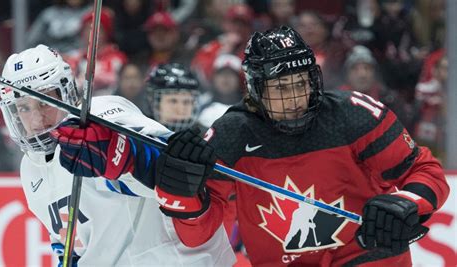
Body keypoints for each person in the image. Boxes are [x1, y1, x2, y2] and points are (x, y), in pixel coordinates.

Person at [152, 26, 449, 266]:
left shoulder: (354, 114)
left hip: (367, 256)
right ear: (256, 90)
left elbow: (426, 171)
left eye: (300, 83)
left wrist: (406, 202)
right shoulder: (232, 135)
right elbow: (200, 236)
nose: (295, 98)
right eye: (281, 88)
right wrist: (180, 193)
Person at [0, 44, 235, 266]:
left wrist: (121, 154)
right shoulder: (29, 169)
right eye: (23, 108)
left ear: (66, 93)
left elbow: (176, 166)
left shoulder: (103, 114)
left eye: (44, 102)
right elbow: (67, 242)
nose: (36, 119)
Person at [144, 63, 202, 132]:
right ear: (154, 102)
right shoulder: (139, 134)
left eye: (187, 102)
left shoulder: (204, 137)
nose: (180, 110)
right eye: (173, 101)